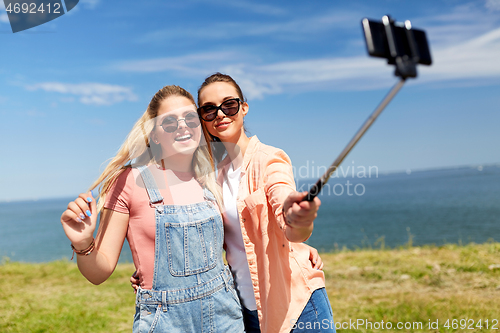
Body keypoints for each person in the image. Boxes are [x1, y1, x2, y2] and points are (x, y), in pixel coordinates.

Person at [60, 85, 244, 333]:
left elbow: (241, 242)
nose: (182, 126)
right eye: (169, 122)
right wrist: (83, 243)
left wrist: (297, 247)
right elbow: (98, 273)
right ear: (155, 134)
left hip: (226, 316)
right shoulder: (128, 181)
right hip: (165, 322)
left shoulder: (212, 178)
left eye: (190, 118)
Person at [196, 73, 335, 333]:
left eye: (229, 104)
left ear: (244, 107)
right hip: (247, 311)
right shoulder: (213, 176)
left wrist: (297, 218)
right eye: (209, 109)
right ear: (202, 117)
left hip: (296, 306)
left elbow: (284, 205)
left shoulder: (270, 159)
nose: (220, 114)